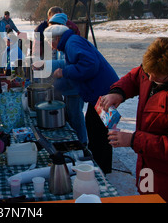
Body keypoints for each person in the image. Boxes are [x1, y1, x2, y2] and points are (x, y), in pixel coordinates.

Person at [101, 37, 168, 203]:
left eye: (157, 76)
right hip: (148, 166)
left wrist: (133, 139)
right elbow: (135, 76)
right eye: (148, 73)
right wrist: (118, 92)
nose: (150, 79)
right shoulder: (155, 66)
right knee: (145, 195)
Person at [43, 24, 119, 173]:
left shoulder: (72, 42)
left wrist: (65, 72)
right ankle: (101, 165)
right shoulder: (71, 42)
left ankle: (101, 169)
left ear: (57, 38)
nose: (50, 45)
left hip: (104, 92)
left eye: (50, 41)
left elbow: (90, 64)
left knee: (98, 130)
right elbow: (79, 66)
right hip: (100, 92)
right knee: (96, 127)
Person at [46, 12, 87, 145]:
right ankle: (75, 141)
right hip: (68, 86)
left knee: (76, 117)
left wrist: (47, 66)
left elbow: (68, 64)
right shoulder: (62, 42)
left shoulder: (71, 42)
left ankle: (82, 143)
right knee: (71, 115)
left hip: (76, 87)